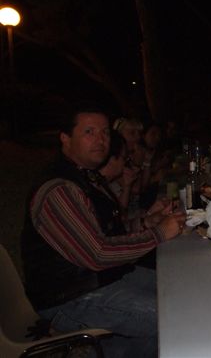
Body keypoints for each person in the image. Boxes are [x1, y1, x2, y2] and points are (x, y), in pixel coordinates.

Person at [21, 103, 187, 358]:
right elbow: (96, 253)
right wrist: (159, 234)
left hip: (101, 279)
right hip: (69, 297)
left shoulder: (87, 177)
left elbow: (105, 234)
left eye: (105, 133)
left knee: (179, 291)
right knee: (174, 318)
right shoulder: (59, 189)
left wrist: (148, 222)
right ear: (65, 138)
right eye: (89, 132)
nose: (100, 140)